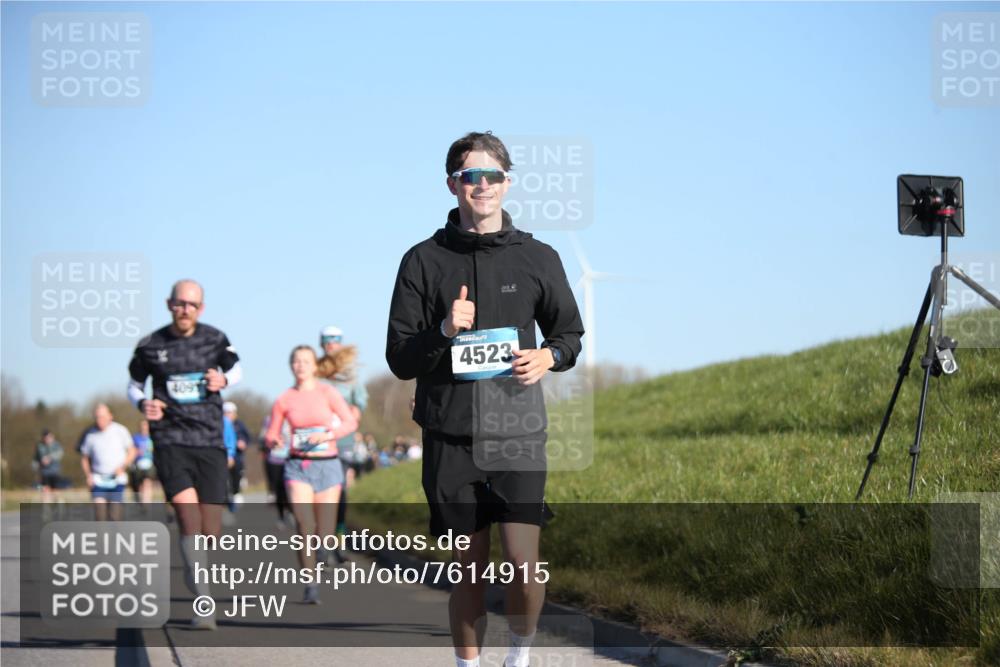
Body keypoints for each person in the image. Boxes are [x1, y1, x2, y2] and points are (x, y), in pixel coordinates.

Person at [386, 131, 584, 667]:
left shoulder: (539, 257)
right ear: (452, 184)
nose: (482, 185)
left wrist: (548, 357)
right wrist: (443, 330)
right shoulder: (422, 261)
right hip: (450, 437)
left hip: (518, 432)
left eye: (492, 175)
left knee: (524, 565)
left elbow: (569, 335)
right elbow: (400, 358)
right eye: (470, 175)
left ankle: (518, 655)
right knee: (468, 572)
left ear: (507, 183)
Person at [127, 279, 242, 629]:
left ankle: (196, 572)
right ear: (169, 304)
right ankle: (203, 601)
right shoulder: (151, 345)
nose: (185, 310)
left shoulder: (215, 338)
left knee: (211, 530)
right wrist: (143, 404)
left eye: (192, 305)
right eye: (179, 303)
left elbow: (237, 369)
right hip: (170, 439)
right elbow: (134, 385)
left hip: (209, 440)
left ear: (200, 308)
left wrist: (224, 381)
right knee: (187, 517)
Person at [264, 345, 358, 604]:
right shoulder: (284, 399)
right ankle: (310, 583)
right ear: (291, 366)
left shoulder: (328, 392)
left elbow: (350, 422)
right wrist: (274, 441)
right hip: (298, 466)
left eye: (306, 361)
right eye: (296, 361)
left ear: (315, 366)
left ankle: (323, 552)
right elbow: (271, 432)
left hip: (328, 465)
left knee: (325, 532)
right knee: (304, 525)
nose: (301, 365)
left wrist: (327, 435)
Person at [316, 325, 368, 559]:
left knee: (339, 490)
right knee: (320, 491)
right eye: (326, 341)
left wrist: (355, 413)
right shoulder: (316, 370)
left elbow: (359, 401)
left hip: (343, 440)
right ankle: (321, 540)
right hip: (319, 440)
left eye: (334, 340)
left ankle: (339, 538)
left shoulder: (350, 373)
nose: (330, 345)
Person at [79, 404, 135, 521]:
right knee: (100, 515)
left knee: (115, 516)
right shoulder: (90, 434)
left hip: (117, 479)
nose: (100, 420)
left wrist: (123, 467)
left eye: (102, 417)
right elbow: (84, 458)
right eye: (97, 417)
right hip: (98, 479)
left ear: (110, 416)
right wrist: (88, 476)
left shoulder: (120, 430)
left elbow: (132, 451)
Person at [259, 415, 292, 528]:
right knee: (279, 489)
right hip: (274, 460)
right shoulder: (269, 420)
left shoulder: (293, 417)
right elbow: (263, 437)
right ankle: (281, 516)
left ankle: (290, 511)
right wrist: (268, 443)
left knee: (290, 489)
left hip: (290, 459)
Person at [223, 401, 250, 510]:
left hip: (236, 456)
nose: (229, 415)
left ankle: (236, 492)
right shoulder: (220, 423)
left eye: (231, 412)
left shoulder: (239, 425)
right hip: (222, 455)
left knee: (236, 475)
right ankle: (225, 497)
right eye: (226, 412)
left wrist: (243, 442)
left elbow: (246, 437)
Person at [128, 420, 155, 509]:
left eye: (146, 426)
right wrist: (136, 453)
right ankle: (139, 503)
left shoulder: (152, 437)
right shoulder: (135, 438)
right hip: (138, 464)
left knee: (147, 483)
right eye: (142, 426)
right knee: (138, 486)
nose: (144, 428)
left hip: (149, 464)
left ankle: (146, 504)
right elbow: (131, 451)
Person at [34, 429, 64, 503]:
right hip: (44, 473)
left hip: (55, 472)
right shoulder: (39, 446)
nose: (47, 439)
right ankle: (47, 507)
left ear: (52, 437)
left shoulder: (57, 445)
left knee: (56, 491)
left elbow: (60, 454)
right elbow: (35, 458)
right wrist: (36, 466)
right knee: (44, 490)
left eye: (48, 437)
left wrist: (49, 458)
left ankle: (58, 505)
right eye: (45, 438)